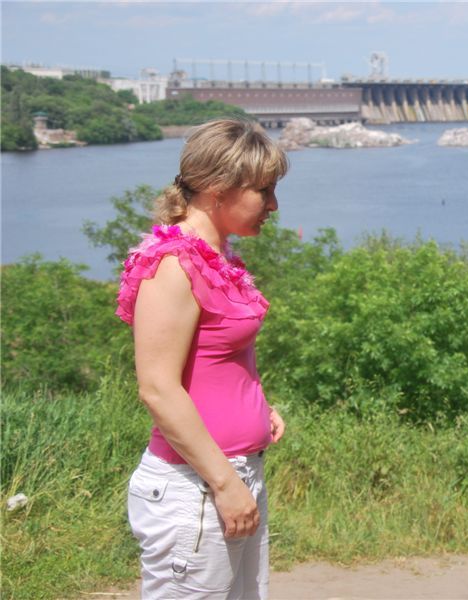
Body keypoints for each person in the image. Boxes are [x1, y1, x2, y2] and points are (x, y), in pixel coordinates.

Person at [116, 119, 288, 599]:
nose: (273, 205)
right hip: (197, 486)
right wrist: (225, 484)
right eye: (264, 190)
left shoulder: (217, 257)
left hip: (234, 475)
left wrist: (258, 407)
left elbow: (217, 359)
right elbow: (157, 388)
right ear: (218, 189)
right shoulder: (172, 265)